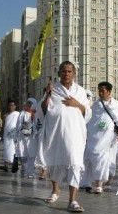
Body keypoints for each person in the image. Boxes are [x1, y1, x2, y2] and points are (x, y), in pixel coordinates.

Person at [35, 61, 91, 212]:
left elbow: (88, 112)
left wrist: (76, 104)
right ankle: (55, 190)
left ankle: (72, 200)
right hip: (56, 133)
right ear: (59, 73)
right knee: (54, 161)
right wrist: (47, 94)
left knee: (75, 162)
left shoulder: (80, 91)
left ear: (74, 74)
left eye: (69, 71)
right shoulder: (53, 90)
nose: (66, 74)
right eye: (63, 71)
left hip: (75, 134)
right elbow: (43, 111)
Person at [82, 82, 118, 193]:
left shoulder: (116, 105)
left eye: (103, 90)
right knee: (92, 158)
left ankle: (100, 184)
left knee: (106, 160)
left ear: (109, 91)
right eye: (99, 90)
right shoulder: (96, 105)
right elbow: (90, 121)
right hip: (95, 137)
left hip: (110, 138)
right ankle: (92, 182)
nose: (100, 93)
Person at [15, 98, 36, 177]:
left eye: (30, 104)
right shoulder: (22, 113)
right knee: (22, 153)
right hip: (22, 137)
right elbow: (18, 125)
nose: (28, 106)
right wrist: (17, 136)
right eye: (28, 104)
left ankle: (30, 172)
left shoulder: (36, 114)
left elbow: (37, 125)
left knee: (32, 154)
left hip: (32, 138)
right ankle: (24, 169)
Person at [0, 100, 20, 172]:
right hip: (6, 135)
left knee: (12, 150)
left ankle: (14, 165)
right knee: (6, 150)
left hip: (13, 135)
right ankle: (5, 165)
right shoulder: (6, 115)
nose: (11, 107)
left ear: (15, 106)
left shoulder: (17, 114)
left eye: (12, 105)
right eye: (10, 105)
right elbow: (4, 126)